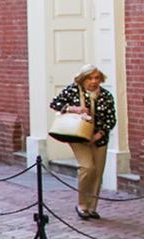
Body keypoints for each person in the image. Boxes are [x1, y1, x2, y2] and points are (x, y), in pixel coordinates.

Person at [49, 65, 116, 220]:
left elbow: (111, 119)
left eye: (96, 78)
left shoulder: (106, 95)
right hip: (78, 136)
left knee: (97, 172)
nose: (93, 82)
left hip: (99, 138)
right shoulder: (73, 90)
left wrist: (100, 134)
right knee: (87, 167)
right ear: (83, 79)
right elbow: (55, 103)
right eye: (90, 78)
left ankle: (92, 207)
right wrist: (74, 109)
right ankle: (82, 204)